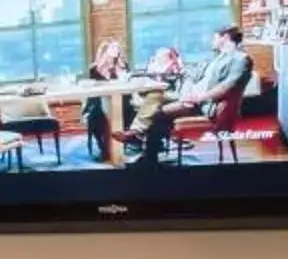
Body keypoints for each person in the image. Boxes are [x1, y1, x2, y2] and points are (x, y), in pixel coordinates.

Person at [132, 27, 254, 164]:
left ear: (225, 37)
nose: (211, 41)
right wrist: (185, 80)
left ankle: (149, 157)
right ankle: (136, 133)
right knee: (155, 95)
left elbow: (226, 87)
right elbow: (193, 73)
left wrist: (198, 98)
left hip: (204, 103)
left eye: (214, 38)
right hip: (192, 96)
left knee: (158, 114)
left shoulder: (240, 59)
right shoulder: (217, 56)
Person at [78, 38, 132, 165]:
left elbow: (128, 86)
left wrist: (120, 75)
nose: (116, 51)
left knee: (127, 113)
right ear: (105, 51)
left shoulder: (124, 66)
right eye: (113, 48)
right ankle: (104, 149)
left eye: (118, 48)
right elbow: (93, 88)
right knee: (96, 118)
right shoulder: (95, 69)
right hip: (98, 102)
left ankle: (119, 149)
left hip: (122, 101)